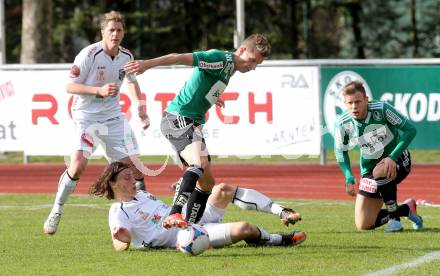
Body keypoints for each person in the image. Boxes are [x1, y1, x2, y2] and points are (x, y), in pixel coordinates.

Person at [124, 34, 274, 229]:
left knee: (207, 183)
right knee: (199, 162)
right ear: (242, 50)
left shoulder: (230, 68)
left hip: (191, 123)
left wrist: (213, 97)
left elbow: (206, 82)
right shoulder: (219, 58)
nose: (252, 67)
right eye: (252, 61)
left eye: (257, 65)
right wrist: (147, 64)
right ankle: (175, 213)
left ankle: (190, 229)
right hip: (178, 118)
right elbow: (179, 57)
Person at [43, 11, 150, 235]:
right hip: (86, 116)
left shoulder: (126, 56)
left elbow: (131, 81)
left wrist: (139, 104)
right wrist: (97, 90)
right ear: (103, 32)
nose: (115, 34)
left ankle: (145, 214)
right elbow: (69, 86)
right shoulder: (89, 54)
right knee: (79, 165)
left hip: (113, 117)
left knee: (134, 167)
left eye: (119, 30)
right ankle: (57, 209)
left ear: (123, 32)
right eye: (111, 30)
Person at [89, 162, 306, 251]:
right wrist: (122, 238)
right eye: (127, 178)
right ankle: (277, 240)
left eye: (132, 176)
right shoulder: (118, 211)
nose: (133, 181)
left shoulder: (144, 194)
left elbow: (165, 211)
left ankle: (281, 210)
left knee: (221, 189)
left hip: (190, 215)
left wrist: (180, 193)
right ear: (113, 183)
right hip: (187, 234)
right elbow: (119, 242)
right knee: (245, 228)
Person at [334, 80, 423, 232]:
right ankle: (405, 209)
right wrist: (348, 176)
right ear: (345, 103)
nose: (354, 106)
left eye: (358, 102)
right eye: (350, 103)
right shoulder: (343, 123)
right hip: (369, 168)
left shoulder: (381, 109)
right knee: (364, 224)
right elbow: (340, 151)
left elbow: (410, 130)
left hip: (398, 159)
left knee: (380, 171)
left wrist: (392, 157)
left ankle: (395, 222)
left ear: (366, 100)